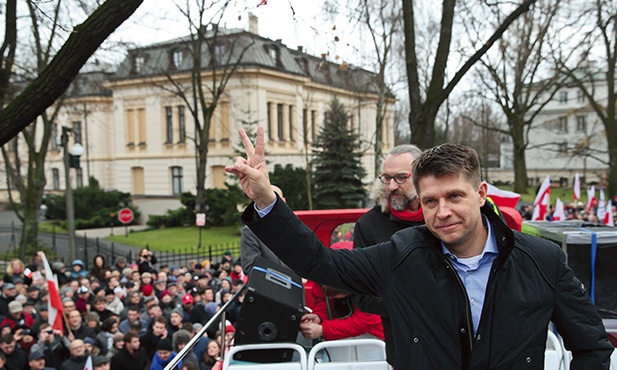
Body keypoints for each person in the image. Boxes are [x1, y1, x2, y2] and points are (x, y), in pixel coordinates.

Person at [226, 127, 613, 369]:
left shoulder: (542, 260)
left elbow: (592, 346)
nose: (443, 212)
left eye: (454, 196)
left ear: (480, 195)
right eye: (430, 201)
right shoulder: (401, 253)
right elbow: (319, 261)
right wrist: (267, 202)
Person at [352, 143, 423, 365]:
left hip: (454, 345)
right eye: (386, 178)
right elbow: (361, 295)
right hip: (403, 350)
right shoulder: (369, 225)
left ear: (423, 175)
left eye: (401, 178)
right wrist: (414, 302)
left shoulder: (444, 218)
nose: (391, 186)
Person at [239, 185, 289, 275]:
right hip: (273, 288)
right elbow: (251, 267)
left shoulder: (293, 228)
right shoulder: (251, 232)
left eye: (275, 200)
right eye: (266, 200)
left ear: (284, 201)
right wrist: (291, 278)